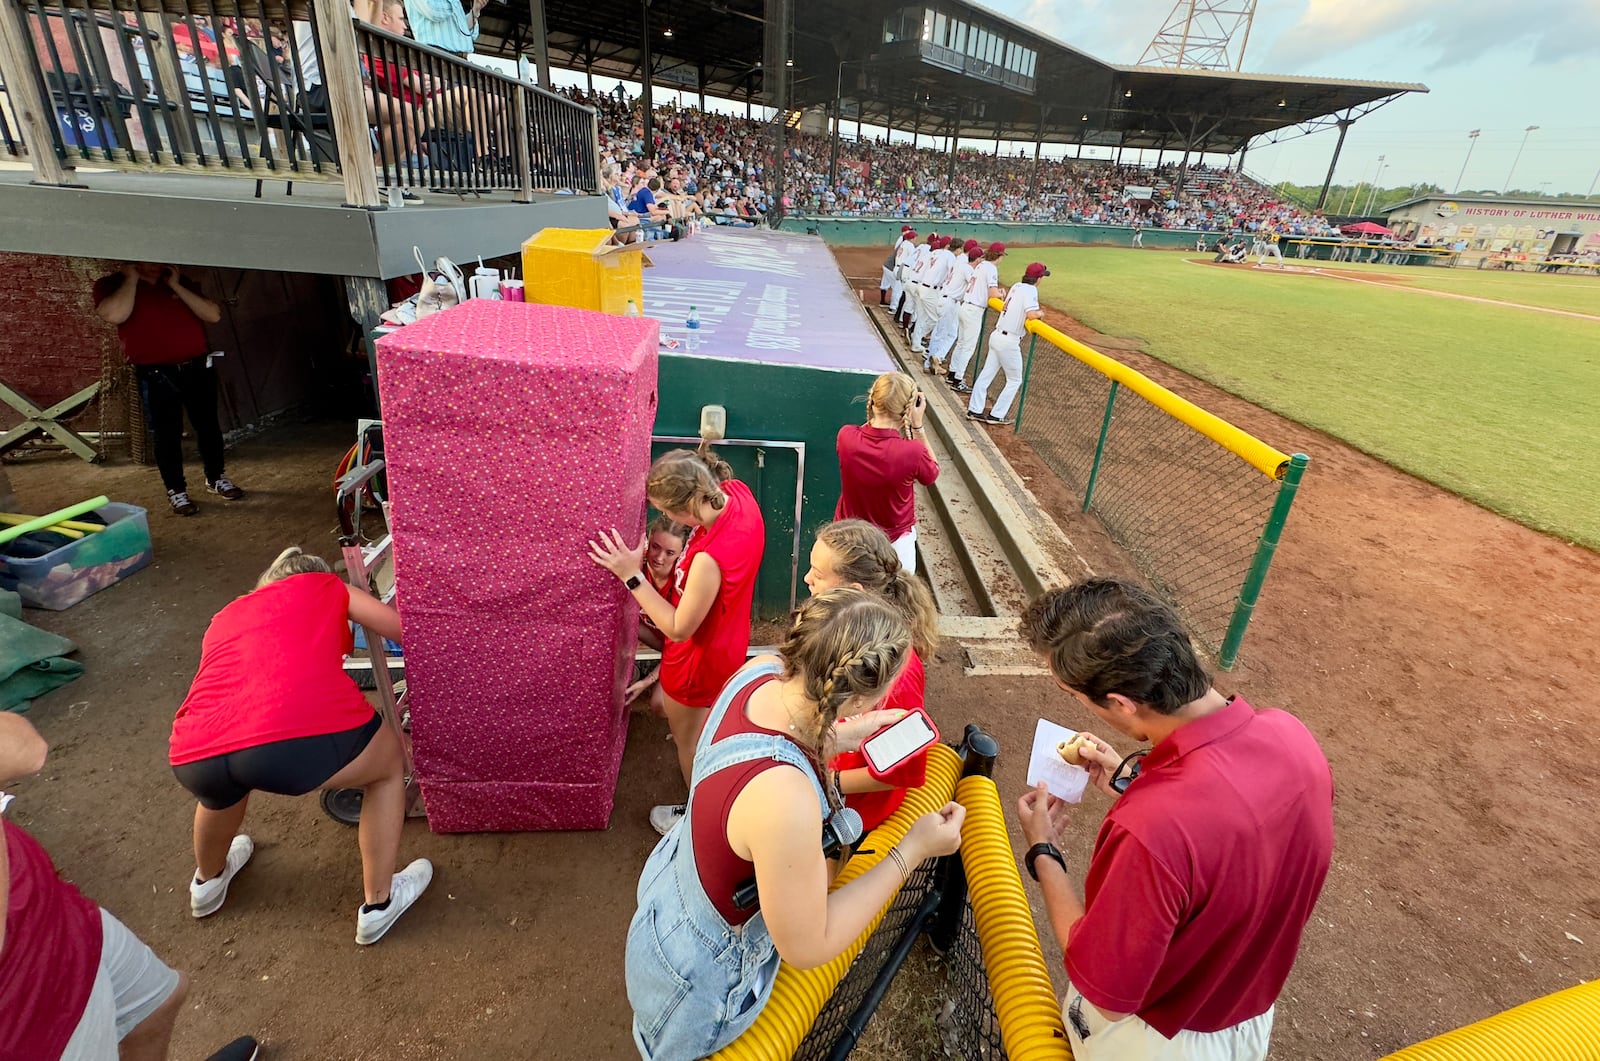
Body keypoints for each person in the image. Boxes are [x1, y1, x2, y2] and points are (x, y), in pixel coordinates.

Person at [624, 589, 966, 1060]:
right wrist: (912, 849)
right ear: (866, 696)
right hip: (699, 988)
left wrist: (839, 734)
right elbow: (809, 945)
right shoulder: (786, 798)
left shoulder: (757, 673)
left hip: (667, 915)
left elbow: (770, 736)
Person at [1013, 578, 1334, 1060]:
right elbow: (1227, 835)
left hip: (1154, 1042)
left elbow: (1106, 990)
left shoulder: (1151, 827)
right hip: (1243, 1024)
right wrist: (1131, 779)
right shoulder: (1292, 736)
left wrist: (1045, 852)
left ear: (1120, 703)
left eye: (1076, 696)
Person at [169, 547, 433, 945]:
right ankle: (379, 904)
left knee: (221, 789)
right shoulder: (327, 585)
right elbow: (402, 630)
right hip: (289, 737)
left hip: (194, 748)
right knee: (387, 766)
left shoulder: (229, 613)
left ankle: (207, 882)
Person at [2, 712, 259, 1061]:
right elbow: (26, 751)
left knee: (159, 1002)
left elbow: (26, 747)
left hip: (48, 909)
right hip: (22, 994)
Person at [588, 444, 766, 834]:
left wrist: (628, 574)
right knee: (713, 732)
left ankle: (698, 821)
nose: (666, 517)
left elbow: (678, 627)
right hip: (728, 648)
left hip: (695, 664)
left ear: (686, 503)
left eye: (667, 511)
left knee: (690, 747)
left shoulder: (707, 558)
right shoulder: (739, 494)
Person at [804, 520, 940, 833]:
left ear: (852, 592)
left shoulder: (898, 674)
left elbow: (899, 773)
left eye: (818, 574)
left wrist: (829, 781)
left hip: (852, 810)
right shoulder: (836, 629)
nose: (807, 579)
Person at [93, 263, 242, 517]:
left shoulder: (181, 281)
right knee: (166, 434)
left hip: (196, 366)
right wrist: (130, 280)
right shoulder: (111, 285)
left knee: (207, 426)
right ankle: (176, 490)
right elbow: (114, 315)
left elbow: (213, 315)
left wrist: (175, 285)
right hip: (155, 372)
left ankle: (216, 477)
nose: (153, 265)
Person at [835, 373, 938, 573]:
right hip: (895, 543)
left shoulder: (846, 436)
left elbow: (869, 432)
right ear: (907, 410)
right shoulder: (913, 451)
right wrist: (917, 426)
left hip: (848, 538)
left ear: (873, 402)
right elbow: (931, 473)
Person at [968, 261, 1047, 427]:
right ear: (1038, 278)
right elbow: (1031, 314)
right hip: (1008, 341)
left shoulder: (1017, 286)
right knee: (1014, 379)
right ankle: (996, 415)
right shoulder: (1031, 290)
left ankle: (974, 409)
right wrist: (1041, 313)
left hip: (997, 335)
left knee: (987, 373)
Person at [626, 515, 691, 707]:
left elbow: (683, 644)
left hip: (686, 649)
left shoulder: (683, 583)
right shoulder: (636, 566)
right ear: (649, 539)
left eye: (670, 553)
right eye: (655, 547)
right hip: (662, 641)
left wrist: (647, 681)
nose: (659, 558)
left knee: (659, 704)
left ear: (680, 554)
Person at [946, 240, 1004, 394]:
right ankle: (958, 379)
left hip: (965, 306)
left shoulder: (980, 265)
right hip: (974, 311)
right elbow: (993, 293)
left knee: (961, 343)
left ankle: (952, 373)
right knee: (968, 347)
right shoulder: (991, 268)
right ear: (999, 256)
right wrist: (1001, 293)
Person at [925, 238, 975, 375]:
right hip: (949, 301)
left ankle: (936, 358)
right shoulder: (965, 264)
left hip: (945, 297)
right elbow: (973, 284)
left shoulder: (958, 260)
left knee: (950, 332)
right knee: (941, 333)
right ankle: (930, 361)